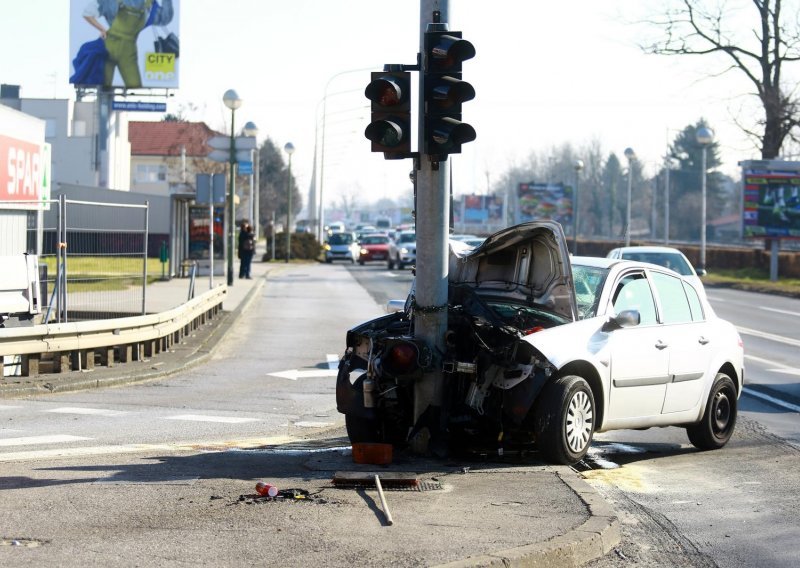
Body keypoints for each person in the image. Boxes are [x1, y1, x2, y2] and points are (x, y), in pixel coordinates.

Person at [81, 0, 174, 88]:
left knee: (105, 88)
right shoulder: (148, 4)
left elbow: (87, 13)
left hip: (112, 48)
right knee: (134, 87)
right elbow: (165, 18)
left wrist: (102, 29)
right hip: (124, 50)